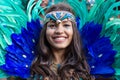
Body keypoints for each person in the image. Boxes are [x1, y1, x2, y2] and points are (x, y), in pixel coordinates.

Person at [30, 3, 94, 80]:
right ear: (45, 31)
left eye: (66, 25)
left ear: (74, 31)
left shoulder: (89, 67)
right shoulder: (30, 68)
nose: (59, 31)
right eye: (52, 26)